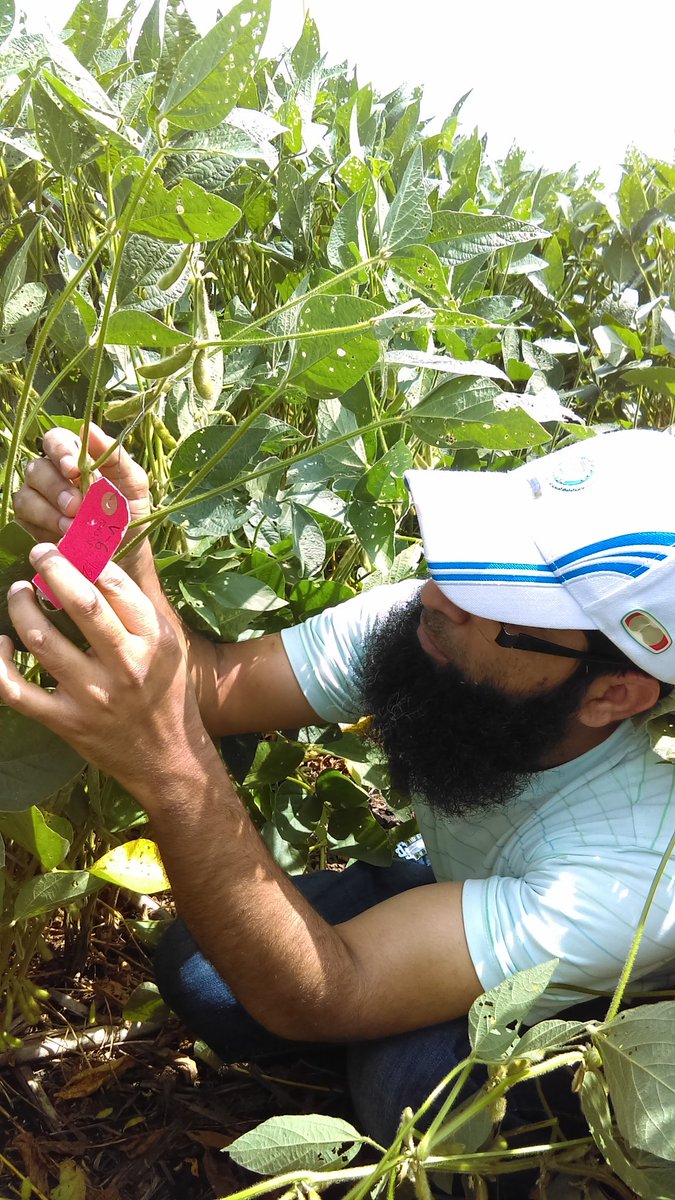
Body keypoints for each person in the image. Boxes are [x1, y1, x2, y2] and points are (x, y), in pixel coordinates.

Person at [5, 425, 675, 1164]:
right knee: (209, 972)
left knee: (417, 1099)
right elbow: (211, 685)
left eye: (502, 601)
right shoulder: (437, 630)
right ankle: (391, 987)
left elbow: (329, 991)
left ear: (613, 694)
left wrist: (170, 768)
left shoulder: (639, 867)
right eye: (472, 563)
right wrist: (122, 554)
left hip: (581, 997)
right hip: (468, 888)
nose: (437, 598)